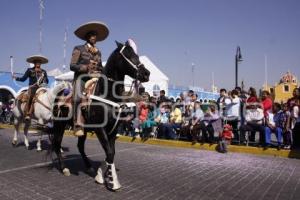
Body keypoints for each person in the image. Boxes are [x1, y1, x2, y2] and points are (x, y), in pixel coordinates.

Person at [70, 21, 109, 136]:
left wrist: (102, 71)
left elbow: (101, 67)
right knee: (78, 98)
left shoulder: (98, 53)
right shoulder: (78, 48)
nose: (93, 37)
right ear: (87, 37)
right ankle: (77, 125)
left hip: (95, 78)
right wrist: (86, 67)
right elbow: (72, 66)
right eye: (91, 35)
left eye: (95, 36)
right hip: (81, 78)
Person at [12, 55, 49, 121]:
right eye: (36, 62)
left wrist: (44, 81)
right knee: (31, 96)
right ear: (34, 63)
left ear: (41, 63)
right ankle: (28, 113)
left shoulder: (44, 72)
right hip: (32, 87)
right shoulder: (30, 70)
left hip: (41, 87)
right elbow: (23, 79)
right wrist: (16, 78)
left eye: (39, 62)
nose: (38, 63)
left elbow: (47, 81)